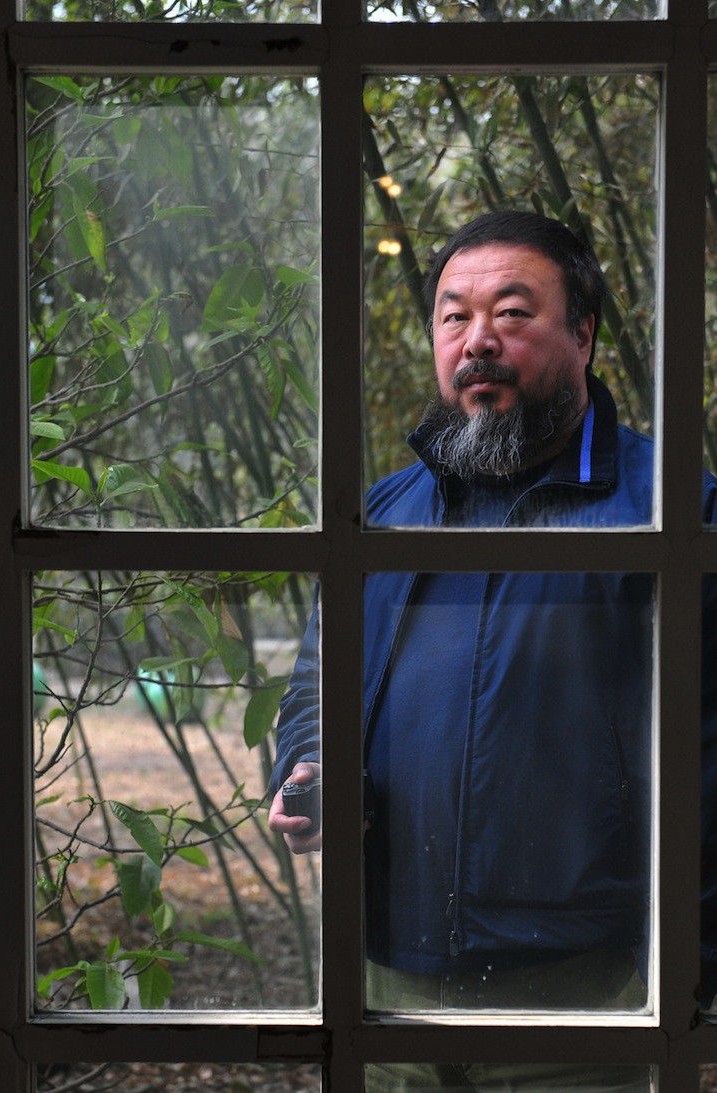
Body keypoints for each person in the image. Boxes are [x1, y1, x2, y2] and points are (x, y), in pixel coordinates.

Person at [268, 211, 717, 1091]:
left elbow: (711, 754)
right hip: (385, 992)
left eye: (513, 313)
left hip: (585, 996)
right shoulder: (383, 514)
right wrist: (308, 763)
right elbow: (318, 684)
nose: (478, 341)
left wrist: (694, 974)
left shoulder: (671, 512)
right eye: (454, 315)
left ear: (582, 335)